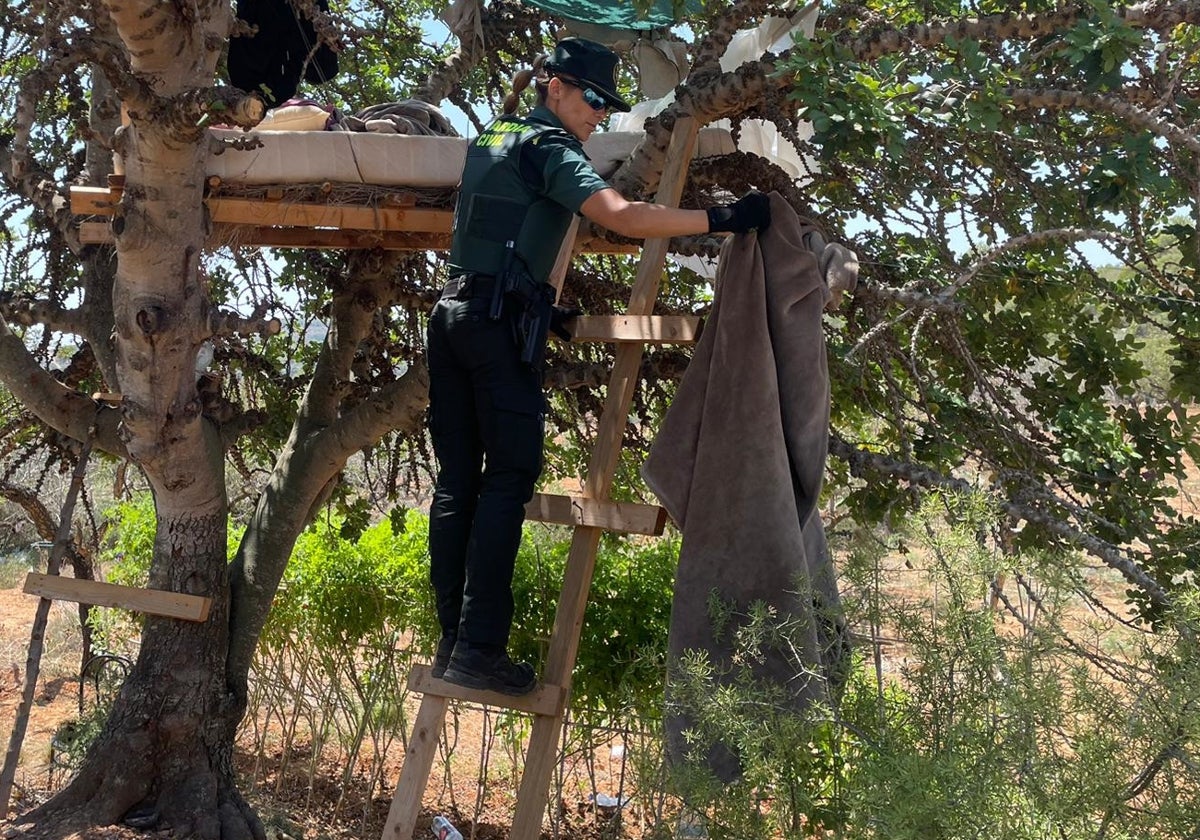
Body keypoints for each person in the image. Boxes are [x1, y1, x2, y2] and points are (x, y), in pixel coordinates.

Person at [426, 36, 771, 696]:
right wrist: (725, 217)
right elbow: (619, 217)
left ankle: (452, 644)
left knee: (457, 484)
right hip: (494, 327)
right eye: (591, 101)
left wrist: (535, 303)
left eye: (605, 106)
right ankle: (478, 648)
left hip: (453, 318)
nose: (597, 117)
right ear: (554, 86)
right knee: (509, 479)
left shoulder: (493, 136)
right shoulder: (551, 147)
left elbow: (495, 231)